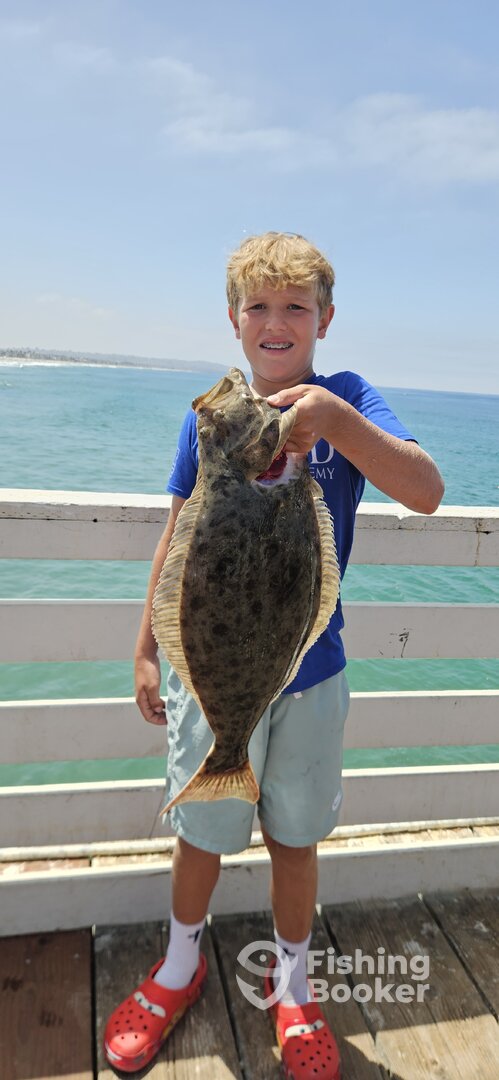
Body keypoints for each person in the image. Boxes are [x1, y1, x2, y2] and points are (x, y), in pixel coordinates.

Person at [104, 232, 444, 1078]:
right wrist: (148, 649)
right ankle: (179, 966)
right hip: (212, 672)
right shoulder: (215, 420)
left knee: (295, 839)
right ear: (233, 321)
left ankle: (291, 986)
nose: (276, 320)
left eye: (295, 306)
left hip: (312, 673)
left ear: (324, 319)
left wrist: (329, 420)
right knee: (202, 831)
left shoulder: (346, 400)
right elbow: (179, 534)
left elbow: (427, 491)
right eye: (258, 306)